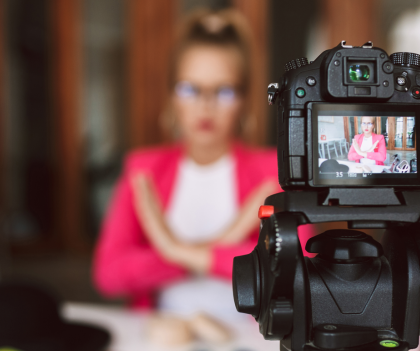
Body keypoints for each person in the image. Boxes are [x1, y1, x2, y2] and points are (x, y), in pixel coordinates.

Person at [93, 10, 310, 313]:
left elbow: (299, 269)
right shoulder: (142, 170)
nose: (205, 106)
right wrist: (223, 242)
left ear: (244, 99)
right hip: (162, 343)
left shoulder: (273, 173)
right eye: (190, 89)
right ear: (171, 96)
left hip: (251, 346)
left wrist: (174, 249)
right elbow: (109, 274)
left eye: (223, 91)